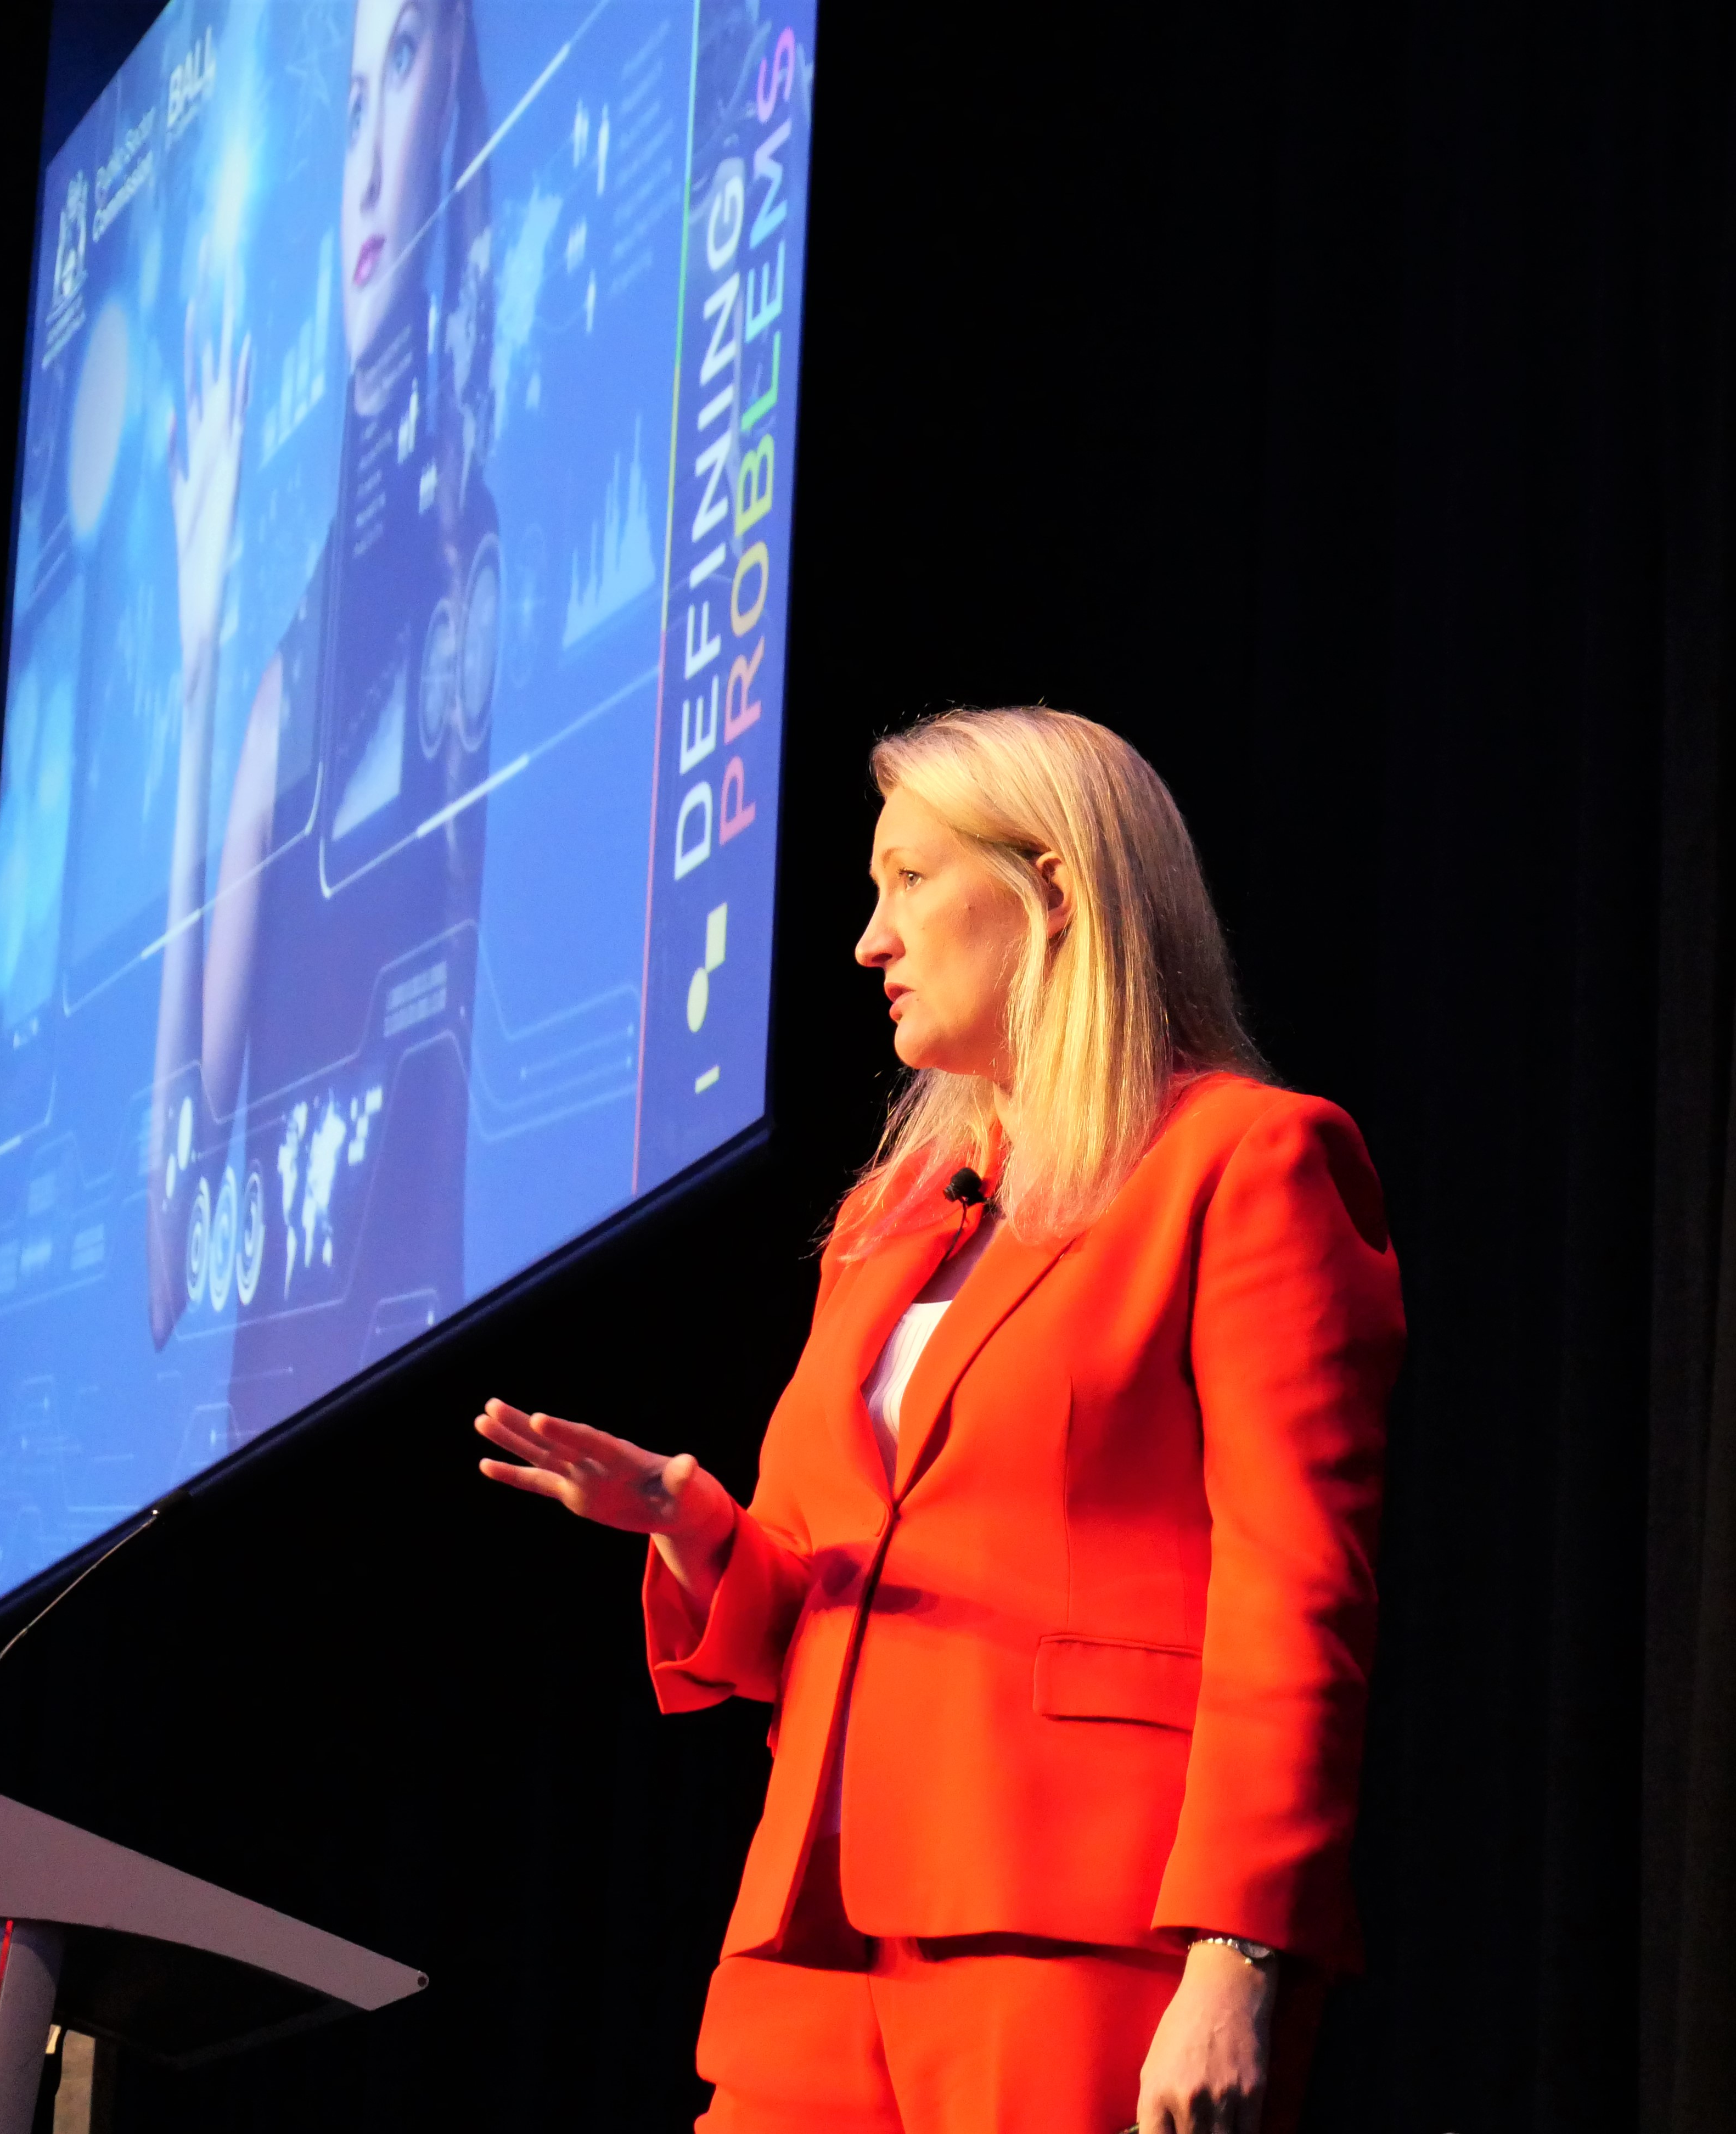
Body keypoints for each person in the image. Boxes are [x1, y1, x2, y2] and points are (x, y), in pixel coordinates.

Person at [476, 707, 1404, 2133]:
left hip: (1088, 1930)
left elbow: (1297, 1599)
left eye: (906, 880)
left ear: (1051, 885)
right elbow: (812, 1599)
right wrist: (694, 1528)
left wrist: (1238, 1957)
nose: (869, 938)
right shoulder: (887, 1221)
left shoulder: (1246, 1161)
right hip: (815, 1934)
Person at [147, 0, 498, 1431]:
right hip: (267, 1429)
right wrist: (201, 656)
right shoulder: (284, 683)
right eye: (346, 101)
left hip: (451, 1414)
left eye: (400, 66)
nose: (361, 165)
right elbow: (170, 1271)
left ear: (452, 100)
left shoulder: (488, 546)